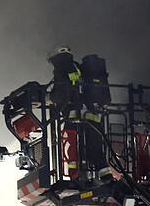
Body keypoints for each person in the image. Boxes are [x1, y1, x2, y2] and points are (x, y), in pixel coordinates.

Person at [47, 47, 112, 186]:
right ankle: (106, 178)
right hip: (91, 115)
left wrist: (49, 97)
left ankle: (75, 177)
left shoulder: (62, 68)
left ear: (56, 58)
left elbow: (61, 93)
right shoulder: (78, 68)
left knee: (72, 148)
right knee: (94, 148)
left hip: (74, 115)